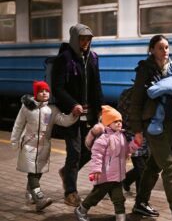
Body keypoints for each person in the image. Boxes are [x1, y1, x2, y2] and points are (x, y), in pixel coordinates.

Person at [129, 35, 172, 221]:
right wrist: (138, 130)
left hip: (170, 122)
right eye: (160, 48)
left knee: (153, 166)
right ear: (151, 50)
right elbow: (136, 101)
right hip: (153, 124)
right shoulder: (145, 69)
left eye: (166, 48)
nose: (165, 52)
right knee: (170, 167)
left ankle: (140, 203)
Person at [51, 23, 103, 206]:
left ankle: (67, 172)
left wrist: (99, 110)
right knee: (74, 152)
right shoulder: (64, 59)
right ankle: (70, 192)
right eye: (82, 39)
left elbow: (97, 86)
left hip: (89, 113)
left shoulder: (93, 58)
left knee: (89, 150)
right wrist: (72, 104)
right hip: (71, 114)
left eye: (88, 39)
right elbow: (57, 88)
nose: (85, 42)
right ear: (74, 39)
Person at [10, 81, 78, 212]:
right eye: (41, 91)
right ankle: (39, 199)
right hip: (29, 145)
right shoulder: (26, 108)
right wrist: (14, 142)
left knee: (38, 171)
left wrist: (73, 115)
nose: (44, 93)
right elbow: (18, 125)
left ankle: (30, 194)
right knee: (33, 172)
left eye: (46, 91)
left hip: (44, 147)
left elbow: (63, 121)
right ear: (36, 94)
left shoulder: (51, 110)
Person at [74, 105, 141, 221]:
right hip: (105, 175)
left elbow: (126, 150)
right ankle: (81, 210)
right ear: (108, 123)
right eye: (115, 121)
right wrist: (96, 170)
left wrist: (135, 144)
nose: (119, 123)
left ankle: (121, 218)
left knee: (119, 199)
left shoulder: (121, 136)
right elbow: (96, 155)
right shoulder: (103, 138)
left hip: (117, 176)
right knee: (96, 195)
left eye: (120, 120)